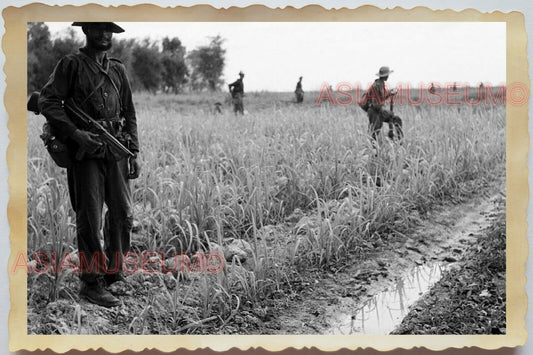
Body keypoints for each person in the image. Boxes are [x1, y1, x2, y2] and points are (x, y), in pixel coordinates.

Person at [39, 22, 140, 307]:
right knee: (90, 219)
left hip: (116, 150)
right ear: (85, 30)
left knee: (123, 214)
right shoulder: (70, 65)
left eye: (108, 30)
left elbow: (129, 112)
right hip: (86, 155)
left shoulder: (118, 69)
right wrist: (75, 134)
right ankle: (91, 282)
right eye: (97, 28)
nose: (104, 35)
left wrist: (134, 151)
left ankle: (113, 271)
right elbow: (48, 101)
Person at [360, 66, 403, 142]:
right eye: (387, 75)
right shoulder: (376, 86)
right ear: (386, 75)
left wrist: (390, 93)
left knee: (396, 119)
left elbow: (381, 97)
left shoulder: (380, 84)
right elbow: (375, 104)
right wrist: (385, 111)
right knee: (374, 134)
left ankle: (399, 142)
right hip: (374, 112)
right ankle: (373, 151)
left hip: (377, 111)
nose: (388, 76)